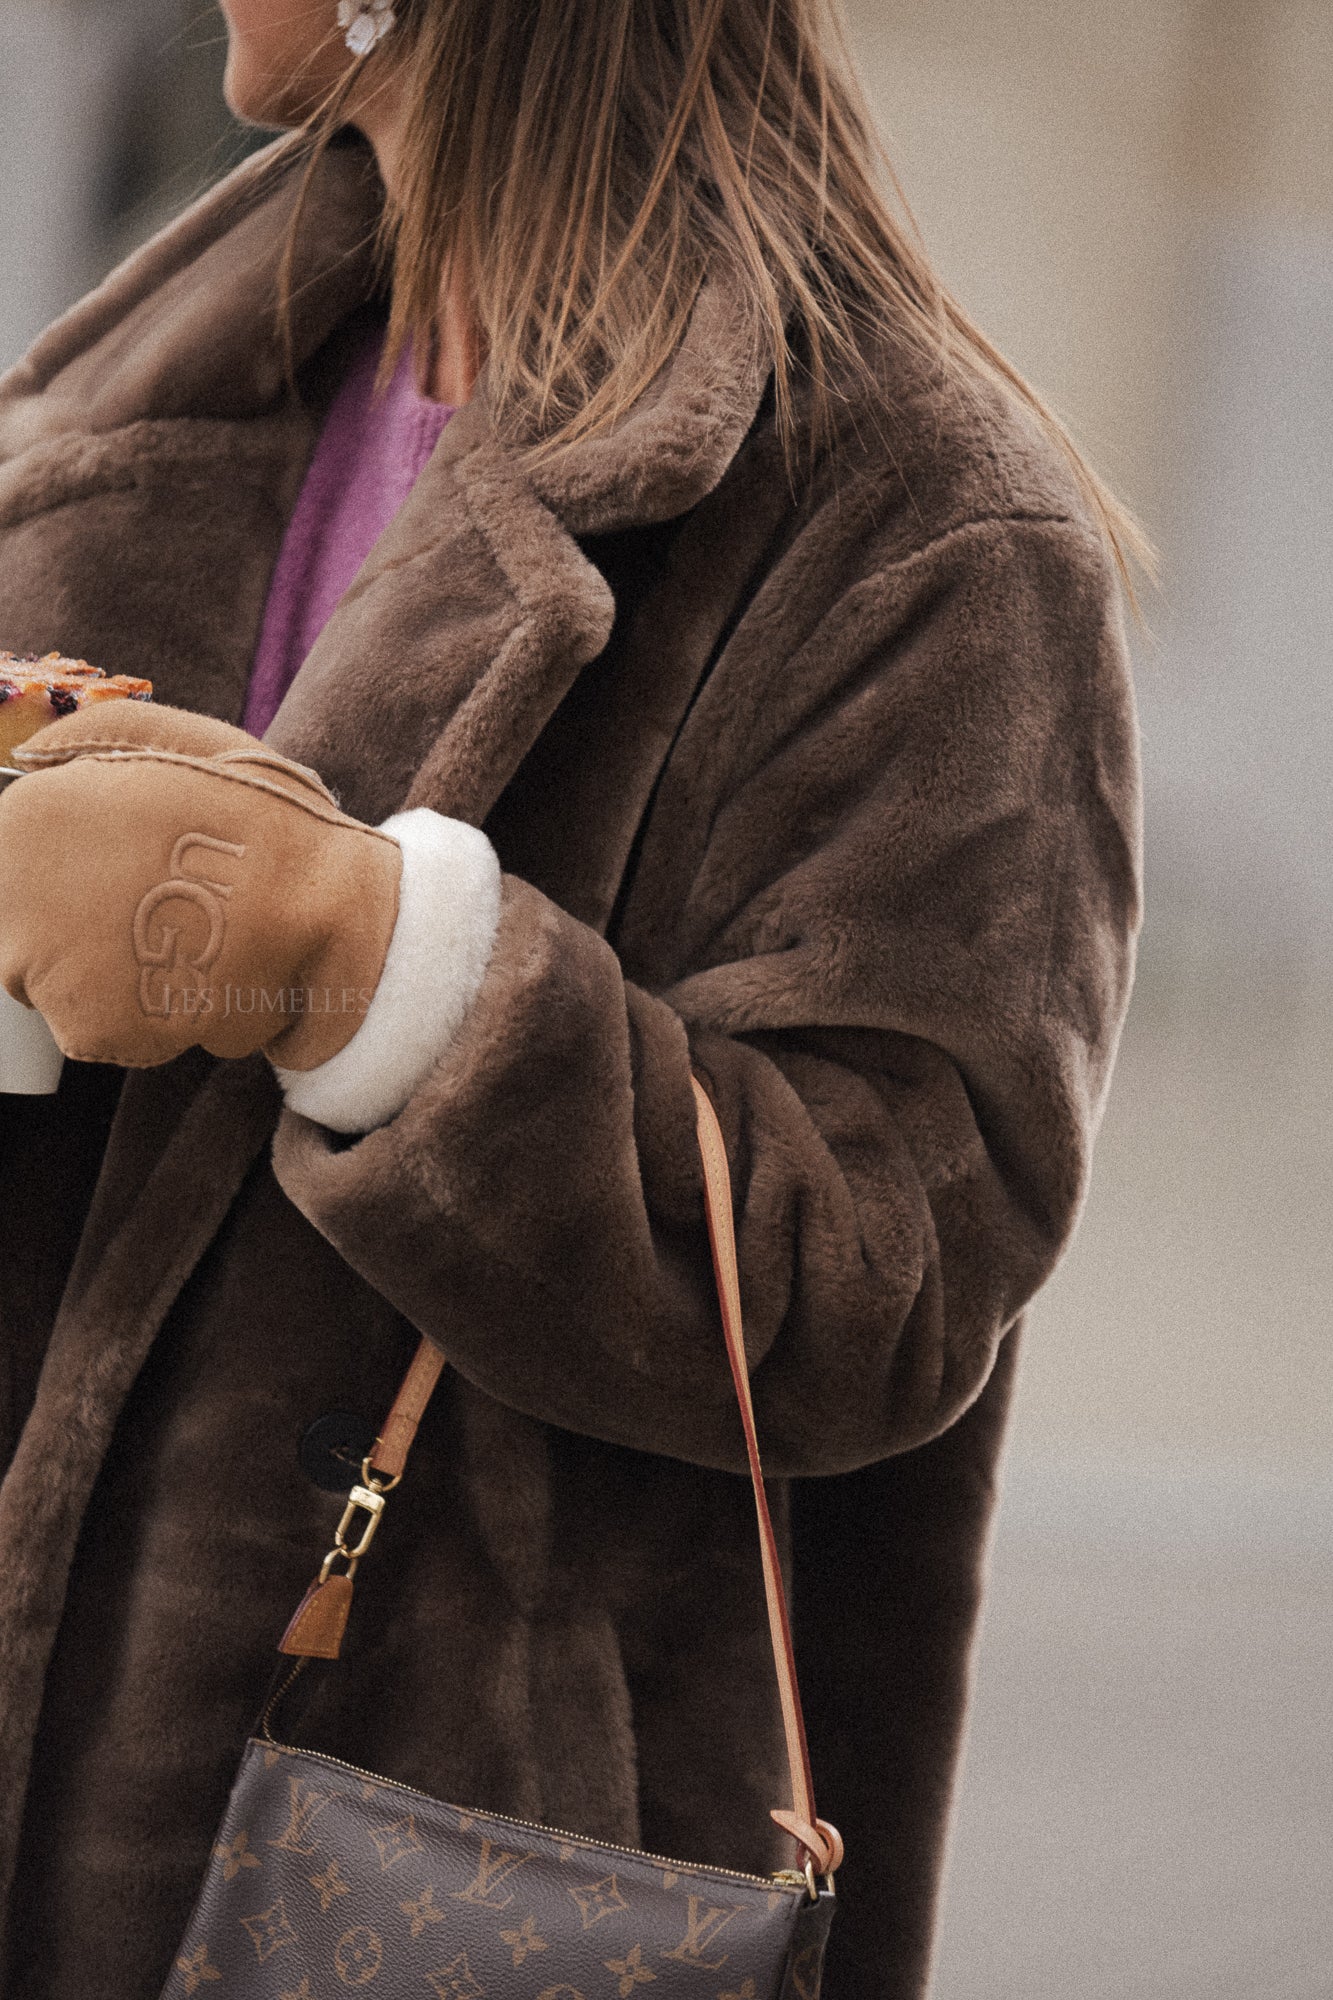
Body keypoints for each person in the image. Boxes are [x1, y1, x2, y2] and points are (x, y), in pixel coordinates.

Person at [0, 1, 1143, 1993]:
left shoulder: (924, 521)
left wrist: (356, 963)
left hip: (426, 1846)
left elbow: (877, 1266)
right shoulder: (168, 369)